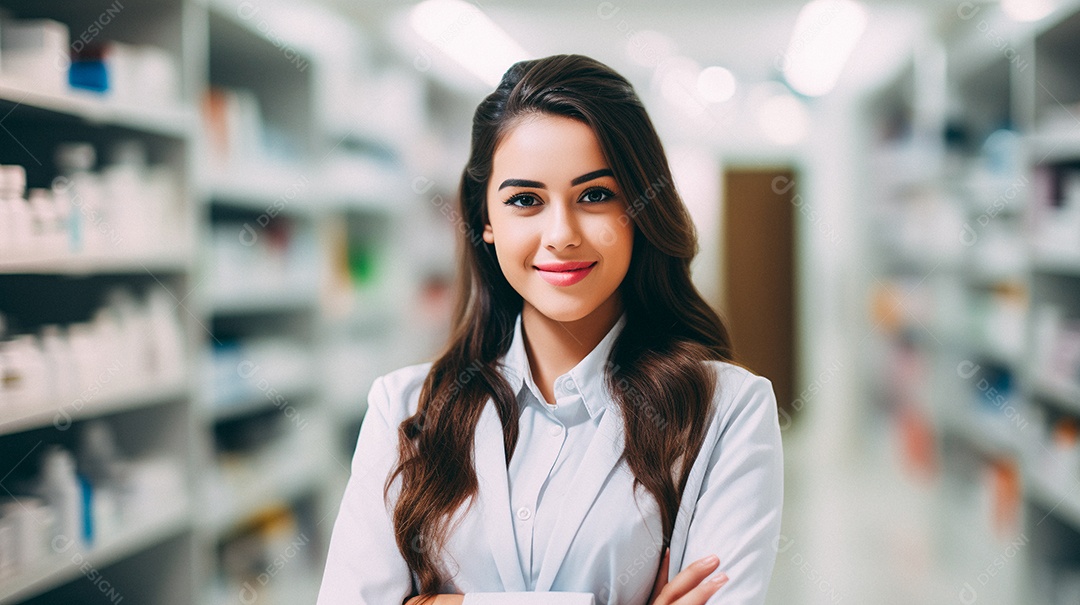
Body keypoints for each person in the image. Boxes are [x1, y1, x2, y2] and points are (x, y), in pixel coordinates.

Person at [316, 53, 783, 605]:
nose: (561, 234)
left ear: (639, 209)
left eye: (595, 195)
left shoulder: (726, 410)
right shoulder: (404, 407)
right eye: (525, 200)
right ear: (486, 221)